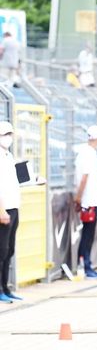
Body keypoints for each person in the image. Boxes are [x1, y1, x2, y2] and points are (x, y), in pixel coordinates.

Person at [74, 125, 97, 278]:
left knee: (89, 233)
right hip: (89, 200)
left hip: (91, 198)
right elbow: (84, 177)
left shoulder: (88, 152)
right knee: (88, 233)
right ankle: (84, 265)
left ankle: (87, 264)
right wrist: (80, 198)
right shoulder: (87, 153)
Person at [0, 121, 23, 303]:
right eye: (5, 134)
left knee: (9, 250)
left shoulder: (8, 156)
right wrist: (1, 210)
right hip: (4, 209)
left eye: (10, 134)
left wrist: (34, 180)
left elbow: (14, 181)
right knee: (1, 250)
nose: (8, 138)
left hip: (13, 207)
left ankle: (5, 288)